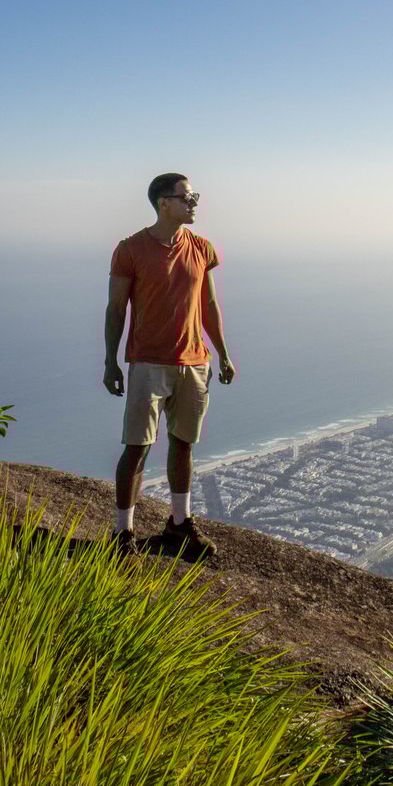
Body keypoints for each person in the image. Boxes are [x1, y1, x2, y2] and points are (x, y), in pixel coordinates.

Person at [103, 173, 235, 558]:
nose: (194, 203)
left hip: (194, 362)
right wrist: (111, 361)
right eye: (187, 197)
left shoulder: (202, 248)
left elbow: (209, 305)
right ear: (164, 203)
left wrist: (223, 353)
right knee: (137, 447)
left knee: (183, 444)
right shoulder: (130, 249)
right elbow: (116, 308)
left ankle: (179, 524)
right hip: (148, 362)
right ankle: (122, 533)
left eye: (194, 196)